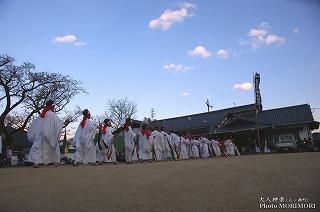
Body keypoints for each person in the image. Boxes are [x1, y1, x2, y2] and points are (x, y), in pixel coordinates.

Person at [27, 100, 64, 168]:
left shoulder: (41, 115)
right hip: (48, 134)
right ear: (52, 106)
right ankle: (53, 161)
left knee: (38, 148)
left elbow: (33, 127)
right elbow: (57, 125)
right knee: (51, 147)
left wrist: (35, 135)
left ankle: (36, 162)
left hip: (39, 136)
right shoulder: (52, 115)